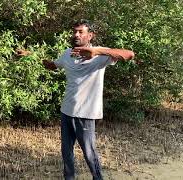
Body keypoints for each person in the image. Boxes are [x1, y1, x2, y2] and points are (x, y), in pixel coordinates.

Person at [17, 19, 135, 180]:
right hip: (67, 111)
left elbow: (129, 54)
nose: (76, 34)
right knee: (66, 152)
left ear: (90, 35)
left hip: (86, 114)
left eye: (81, 32)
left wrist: (97, 52)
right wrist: (30, 55)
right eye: (75, 31)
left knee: (89, 152)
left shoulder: (100, 55)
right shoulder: (67, 54)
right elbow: (52, 65)